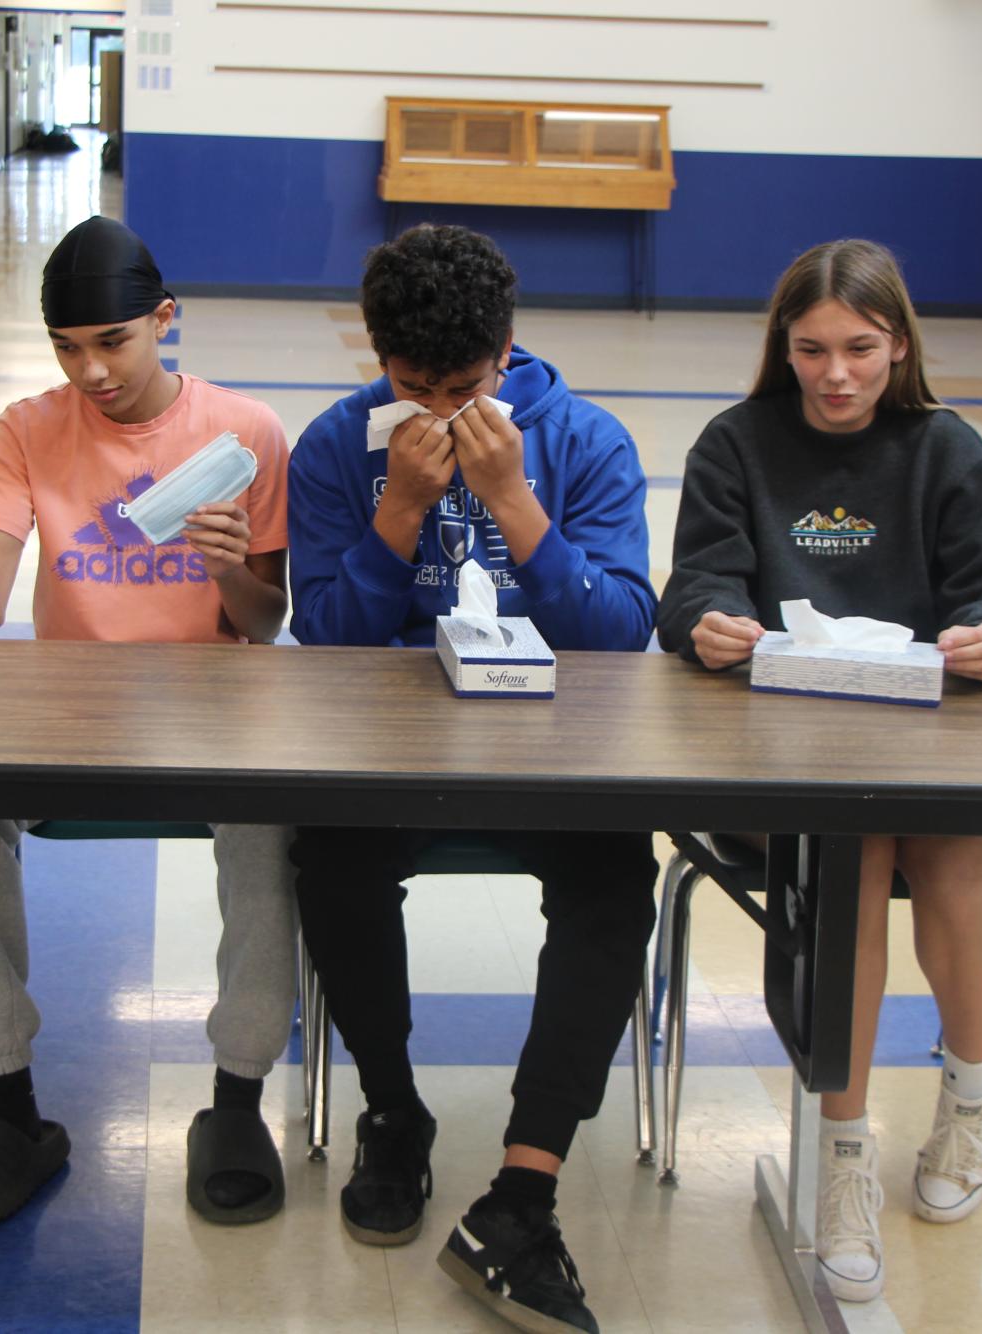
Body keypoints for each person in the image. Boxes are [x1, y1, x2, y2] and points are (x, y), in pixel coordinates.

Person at [0, 215, 299, 1233]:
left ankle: (234, 1097)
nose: (90, 371)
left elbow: (262, 629)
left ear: (165, 319)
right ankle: (9, 1102)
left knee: (271, 824)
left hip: (204, 704)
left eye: (113, 342)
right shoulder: (26, 427)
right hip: (64, 706)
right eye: (67, 347)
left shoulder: (246, 434)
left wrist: (229, 566)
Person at [656, 237, 982, 1303]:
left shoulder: (946, 450)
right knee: (857, 847)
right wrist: (708, 624)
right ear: (783, 349)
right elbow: (691, 583)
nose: (836, 374)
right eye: (813, 349)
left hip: (919, 746)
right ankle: (843, 1151)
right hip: (783, 761)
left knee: (951, 837)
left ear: (900, 344)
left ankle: (971, 1104)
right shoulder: (736, 445)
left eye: (861, 349)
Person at [285, 223, 658, 1334]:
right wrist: (398, 510)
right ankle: (394, 1115)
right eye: (413, 386)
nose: (443, 411)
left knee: (612, 881)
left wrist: (518, 506)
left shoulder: (585, 439)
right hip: (396, 743)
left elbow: (623, 634)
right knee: (333, 860)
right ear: (377, 358)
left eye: (466, 384)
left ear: (508, 348)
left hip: (550, 744)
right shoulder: (333, 446)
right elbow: (332, 638)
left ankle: (524, 1187)